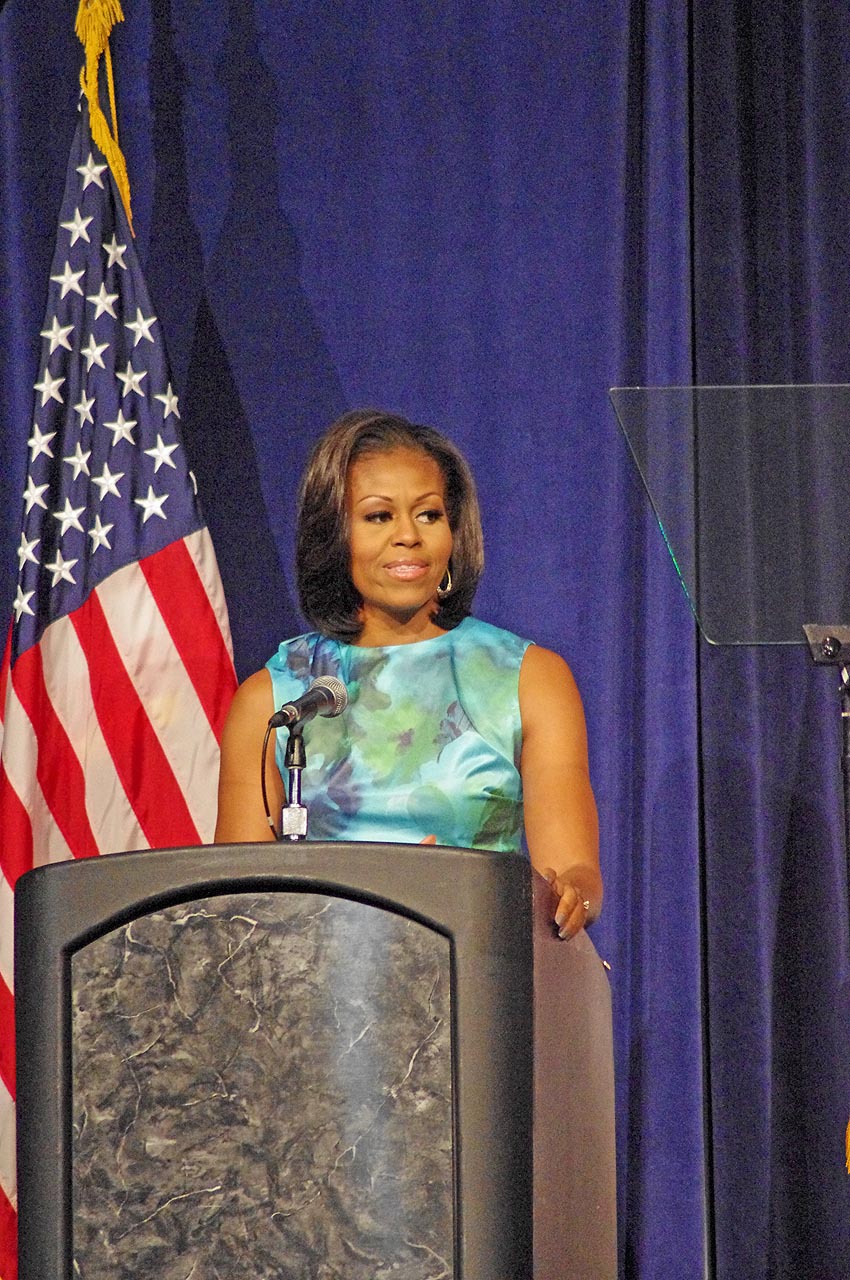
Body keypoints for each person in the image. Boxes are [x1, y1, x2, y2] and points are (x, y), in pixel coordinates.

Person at [215, 409, 601, 939]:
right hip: (316, 988)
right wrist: (393, 887)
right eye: (378, 517)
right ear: (335, 533)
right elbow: (237, 908)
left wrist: (572, 892)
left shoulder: (530, 679)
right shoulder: (274, 699)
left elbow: (573, 874)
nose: (408, 537)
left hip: (479, 970)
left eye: (428, 515)